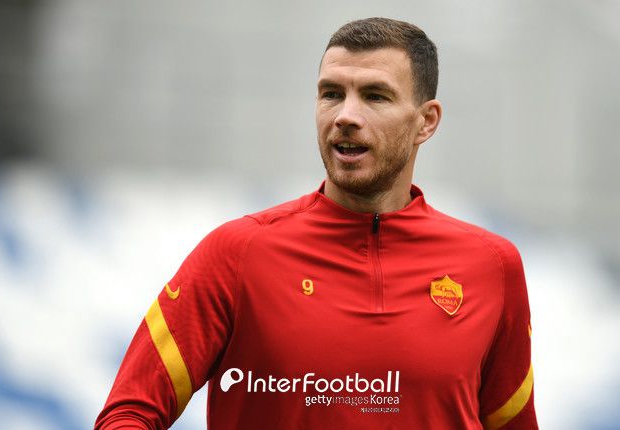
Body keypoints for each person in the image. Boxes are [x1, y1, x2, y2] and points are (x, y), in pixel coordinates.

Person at [95, 17, 538, 429]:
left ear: (426, 121)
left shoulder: (493, 266)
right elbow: (128, 413)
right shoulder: (237, 253)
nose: (345, 115)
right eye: (331, 94)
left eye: (375, 96)